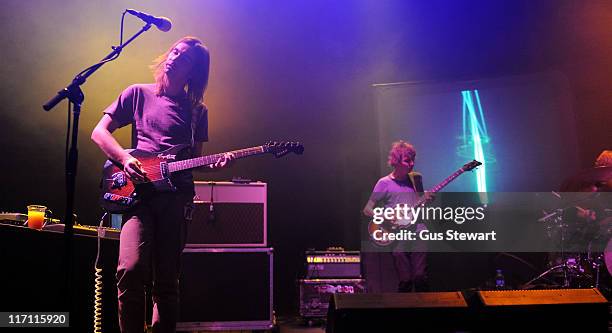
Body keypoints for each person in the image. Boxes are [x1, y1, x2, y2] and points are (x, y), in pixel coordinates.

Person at [91, 36, 230, 333]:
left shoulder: (197, 111)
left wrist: (215, 164)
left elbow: (194, 163)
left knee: (166, 281)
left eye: (185, 58)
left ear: (194, 71)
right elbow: (99, 133)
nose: (175, 58)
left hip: (176, 199)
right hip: (138, 196)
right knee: (130, 270)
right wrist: (125, 161)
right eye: (175, 51)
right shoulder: (137, 93)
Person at [362, 140, 431, 292]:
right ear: (396, 161)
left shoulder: (416, 179)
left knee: (420, 276)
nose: (412, 164)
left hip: (418, 231)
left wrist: (426, 200)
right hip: (398, 235)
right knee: (405, 280)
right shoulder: (384, 183)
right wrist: (386, 217)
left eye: (413, 160)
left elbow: (421, 206)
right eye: (407, 160)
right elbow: (367, 209)